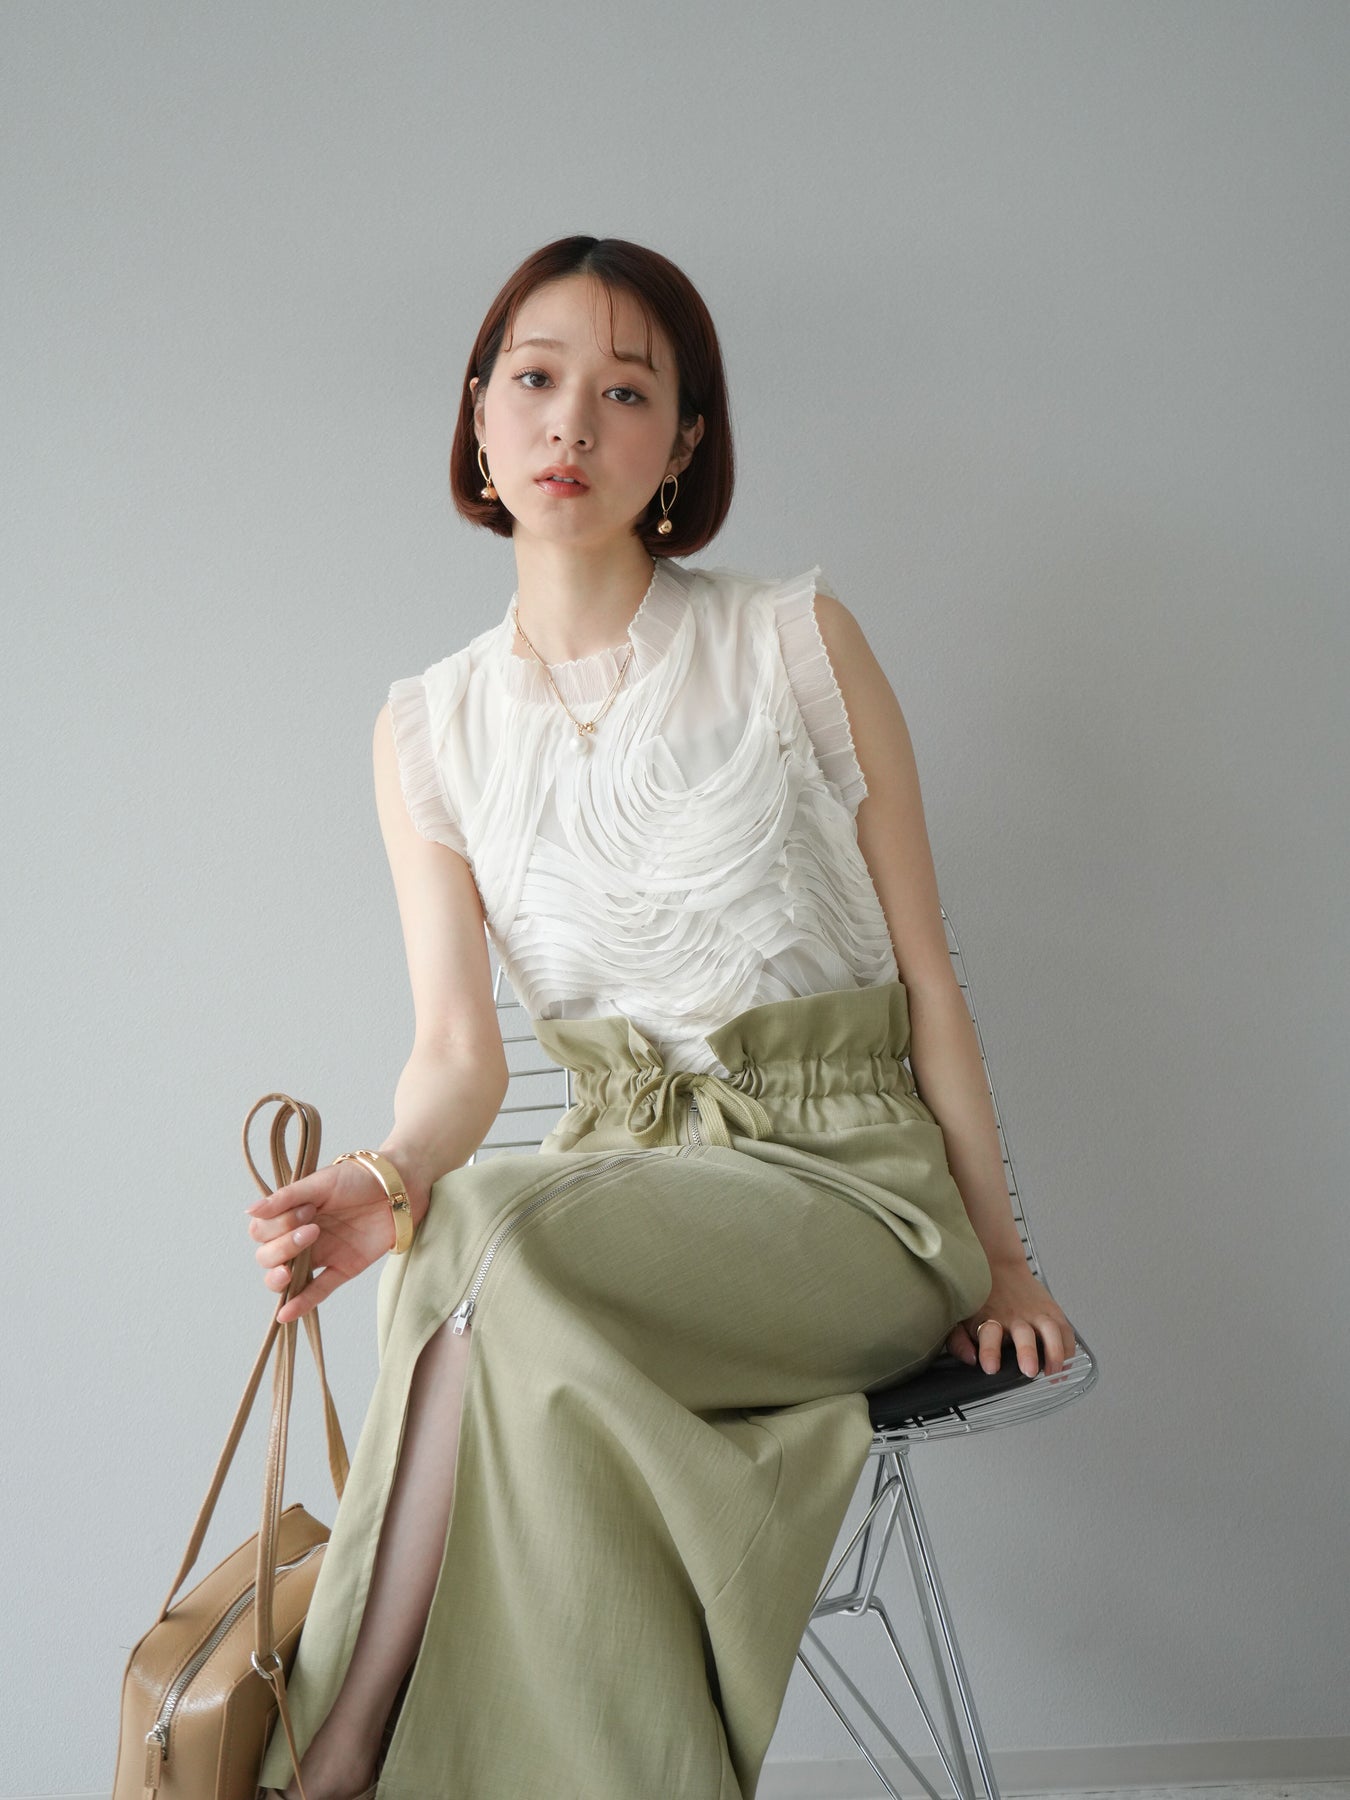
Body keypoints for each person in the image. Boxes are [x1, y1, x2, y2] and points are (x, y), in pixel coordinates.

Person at [248, 234, 1076, 1800]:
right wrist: (384, 1178)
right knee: (477, 1268)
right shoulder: (428, 728)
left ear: (685, 442)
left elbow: (927, 973)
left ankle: (339, 1757)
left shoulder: (793, 640)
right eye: (535, 379)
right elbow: (458, 1055)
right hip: (614, 1196)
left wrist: (1004, 1255)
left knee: (486, 1244)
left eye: (627, 392)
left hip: (849, 1190)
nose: (572, 422)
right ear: (478, 414)